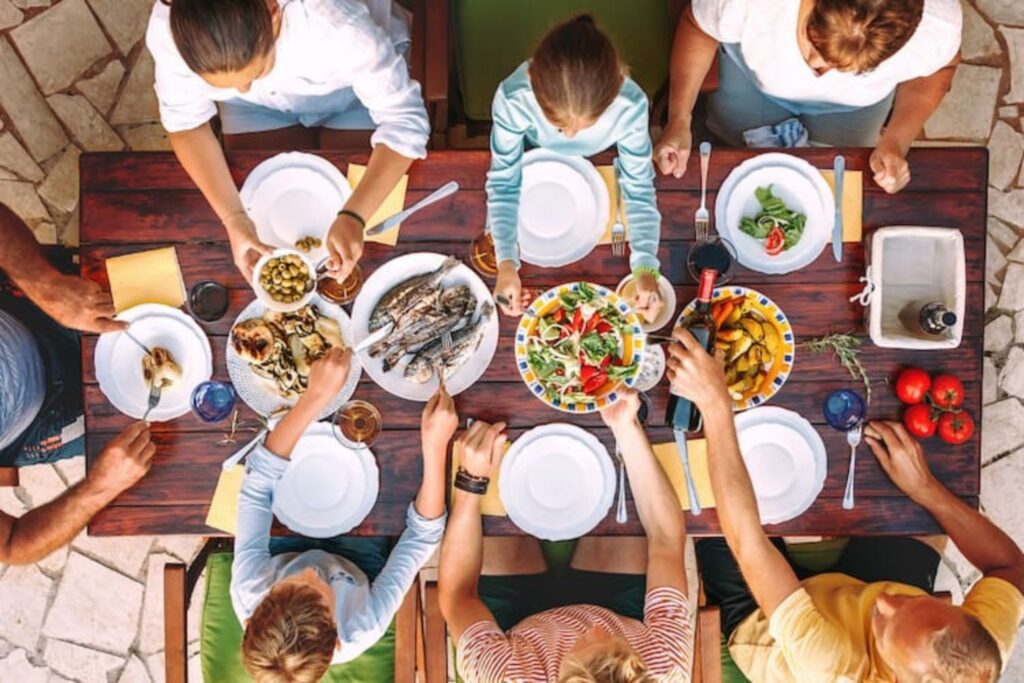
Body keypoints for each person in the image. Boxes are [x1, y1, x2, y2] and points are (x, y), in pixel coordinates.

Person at [666, 327, 1024, 682]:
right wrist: (924, 487)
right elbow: (1011, 566)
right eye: (914, 601)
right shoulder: (980, 654)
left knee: (702, 493)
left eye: (886, 623)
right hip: (853, 587)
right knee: (911, 501)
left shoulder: (834, 669)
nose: (886, 600)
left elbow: (749, 544)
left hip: (765, 624)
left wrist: (715, 404)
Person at [146, 0, 430, 284]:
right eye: (222, 84)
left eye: (256, 73)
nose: (244, 88)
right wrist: (234, 219)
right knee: (274, 220)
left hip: (354, 97)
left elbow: (404, 123)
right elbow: (187, 126)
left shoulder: (336, 23)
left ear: (273, 14)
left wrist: (356, 216)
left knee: (367, 242)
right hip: (254, 109)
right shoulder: (170, 30)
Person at [439, 391, 692, 682]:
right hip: (618, 610)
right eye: (616, 646)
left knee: (499, 512)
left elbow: (458, 594)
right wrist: (627, 429)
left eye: (587, 642)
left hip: (521, 636)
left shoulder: (508, 676)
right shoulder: (664, 667)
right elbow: (666, 540)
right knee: (626, 526)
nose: (595, 628)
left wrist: (471, 479)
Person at [232, 347, 452, 681]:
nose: (311, 571)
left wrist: (315, 397)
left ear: (250, 618)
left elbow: (256, 486)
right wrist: (435, 447)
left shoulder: (249, 591)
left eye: (291, 583)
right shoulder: (363, 627)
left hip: (286, 540)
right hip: (361, 559)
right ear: (337, 641)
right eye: (321, 591)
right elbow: (421, 539)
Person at [656, 0, 961, 194]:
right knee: (731, 144)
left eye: (851, 68)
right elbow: (699, 27)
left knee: (839, 179)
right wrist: (680, 118)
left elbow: (937, 70)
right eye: (814, 44)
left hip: (854, 106)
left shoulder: (938, 25)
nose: (818, 68)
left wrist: (897, 139)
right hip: (753, 78)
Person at [0, 203, 155, 564]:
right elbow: (11, 544)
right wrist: (101, 485)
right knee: (161, 429)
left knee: (165, 294)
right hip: (40, 425)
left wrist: (46, 286)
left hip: (32, 312)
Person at [488, 15, 664, 322]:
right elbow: (504, 182)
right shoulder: (513, 99)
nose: (569, 137)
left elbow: (637, 187)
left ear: (618, 85)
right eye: (557, 124)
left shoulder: (631, 105)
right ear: (531, 77)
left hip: (598, 169)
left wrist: (646, 266)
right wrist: (505, 260)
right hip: (531, 159)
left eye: (587, 124)